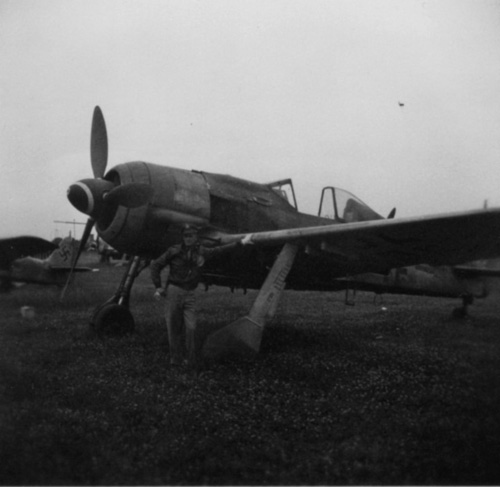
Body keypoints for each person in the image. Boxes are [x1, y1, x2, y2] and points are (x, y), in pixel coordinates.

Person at [150, 224, 252, 373]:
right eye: (186, 235)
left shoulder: (202, 251)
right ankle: (175, 361)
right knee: (173, 328)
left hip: (190, 293)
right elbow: (155, 265)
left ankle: (190, 361)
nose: (189, 238)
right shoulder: (174, 251)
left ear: (196, 236)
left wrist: (241, 243)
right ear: (183, 237)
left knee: (191, 328)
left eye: (191, 235)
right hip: (174, 291)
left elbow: (220, 251)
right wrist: (158, 286)